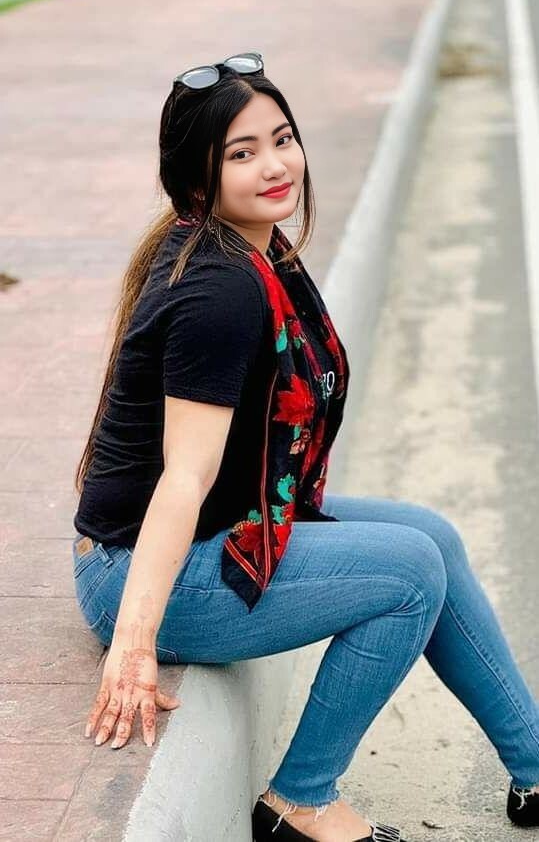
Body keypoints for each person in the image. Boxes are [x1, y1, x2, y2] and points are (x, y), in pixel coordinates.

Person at [71, 52, 539, 842]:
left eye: (281, 139)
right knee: (406, 573)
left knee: (430, 535)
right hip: (143, 570)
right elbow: (184, 475)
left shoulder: (256, 251)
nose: (275, 166)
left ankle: (533, 764)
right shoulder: (219, 290)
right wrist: (135, 642)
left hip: (215, 529)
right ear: (196, 179)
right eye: (241, 153)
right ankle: (302, 800)